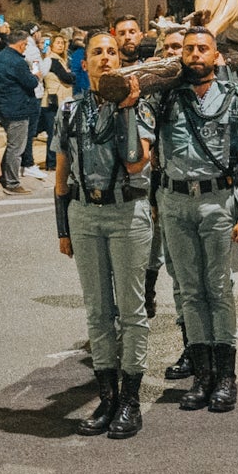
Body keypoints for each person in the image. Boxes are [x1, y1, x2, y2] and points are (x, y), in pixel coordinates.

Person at [54, 30, 155, 439]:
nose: (106, 58)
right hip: (84, 214)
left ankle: (131, 401)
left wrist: (127, 108)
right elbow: (61, 178)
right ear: (85, 63)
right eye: (98, 53)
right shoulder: (68, 112)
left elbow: (134, 163)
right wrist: (62, 228)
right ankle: (107, 398)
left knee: (132, 312)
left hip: (127, 212)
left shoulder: (141, 107)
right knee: (97, 312)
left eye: (112, 52)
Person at [153, 26, 238, 413]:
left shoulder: (234, 98)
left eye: (203, 49)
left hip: (216, 201)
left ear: (216, 56)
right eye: (189, 49)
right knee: (190, 291)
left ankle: (226, 377)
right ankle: (202, 375)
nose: (195, 54)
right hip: (175, 202)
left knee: (218, 287)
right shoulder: (165, 99)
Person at [0, 24, 42, 195]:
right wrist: (36, 76)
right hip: (18, 108)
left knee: (13, 144)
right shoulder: (18, 62)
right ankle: (12, 182)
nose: (26, 47)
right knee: (16, 147)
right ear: (21, 44)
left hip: (2, 107)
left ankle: (5, 175)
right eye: (25, 45)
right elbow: (31, 83)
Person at [35, 32, 74, 174]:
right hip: (55, 101)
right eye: (57, 43)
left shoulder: (59, 60)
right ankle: (52, 162)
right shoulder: (54, 61)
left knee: (60, 132)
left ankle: (56, 161)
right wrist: (71, 74)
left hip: (62, 100)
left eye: (62, 43)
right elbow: (68, 78)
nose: (61, 45)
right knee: (54, 132)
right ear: (51, 45)